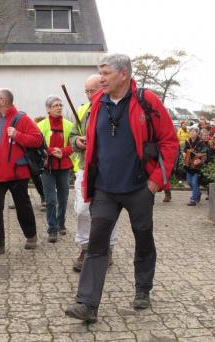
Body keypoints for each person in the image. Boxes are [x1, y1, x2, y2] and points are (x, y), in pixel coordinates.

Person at [65, 54, 178, 323]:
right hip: (105, 188)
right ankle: (87, 304)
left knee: (143, 237)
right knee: (97, 243)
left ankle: (143, 289)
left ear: (123, 74)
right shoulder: (97, 104)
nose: (101, 78)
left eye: (105, 73)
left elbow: (169, 141)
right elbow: (92, 143)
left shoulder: (146, 101)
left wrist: (155, 182)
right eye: (100, 73)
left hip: (139, 187)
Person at [0, 88, 42, 256]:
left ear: (3, 100)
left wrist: (18, 135)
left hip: (17, 174)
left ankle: (31, 236)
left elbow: (37, 140)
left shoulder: (22, 119)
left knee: (23, 207)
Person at [70, 74, 118, 272]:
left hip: (109, 170)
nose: (89, 95)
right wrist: (77, 141)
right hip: (85, 167)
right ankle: (85, 247)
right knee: (82, 210)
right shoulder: (84, 110)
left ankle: (107, 250)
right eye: (87, 91)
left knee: (108, 213)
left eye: (93, 91)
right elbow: (72, 136)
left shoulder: (115, 110)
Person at [37, 96, 74, 243]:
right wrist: (52, 151)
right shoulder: (41, 125)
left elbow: (75, 144)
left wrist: (64, 152)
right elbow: (37, 145)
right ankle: (52, 229)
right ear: (48, 109)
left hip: (64, 166)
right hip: (47, 167)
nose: (58, 108)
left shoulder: (69, 125)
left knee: (63, 199)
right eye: (55, 106)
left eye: (60, 105)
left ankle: (61, 223)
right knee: (51, 200)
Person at [183, 127, 215, 206]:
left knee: (194, 182)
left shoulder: (201, 142)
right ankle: (198, 193)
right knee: (189, 182)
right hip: (188, 166)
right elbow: (184, 151)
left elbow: (204, 154)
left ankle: (193, 199)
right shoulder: (187, 142)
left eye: (194, 132)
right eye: (191, 132)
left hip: (197, 167)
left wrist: (200, 160)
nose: (192, 133)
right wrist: (184, 155)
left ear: (197, 133)